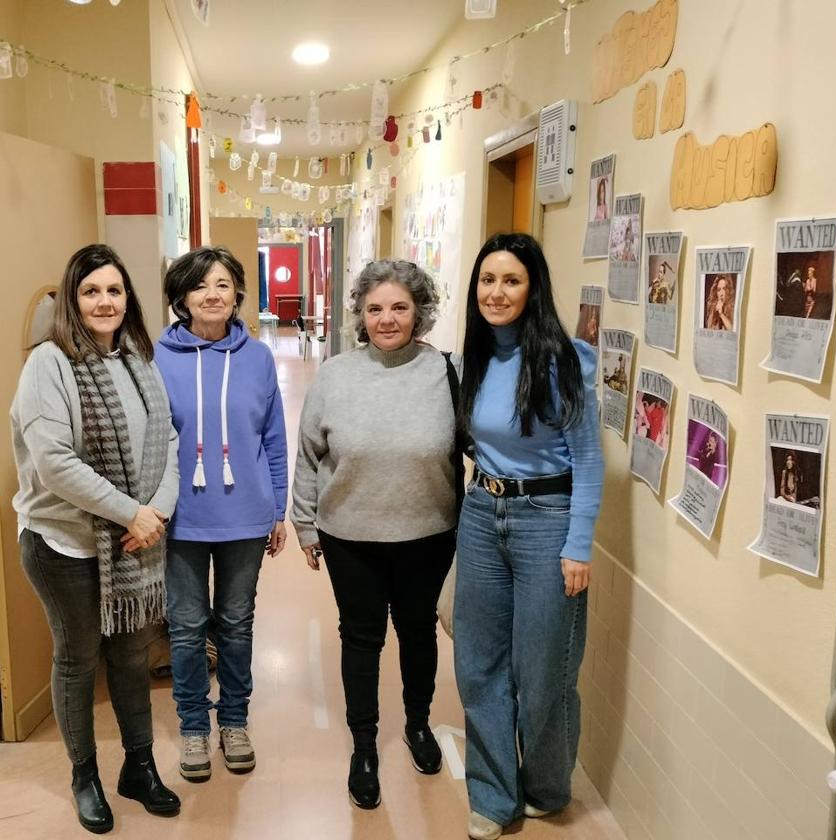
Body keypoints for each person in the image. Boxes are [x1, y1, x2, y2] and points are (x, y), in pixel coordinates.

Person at [11, 244, 182, 834]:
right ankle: (84, 776)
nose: (104, 302)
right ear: (72, 300)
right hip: (64, 544)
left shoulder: (140, 360)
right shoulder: (48, 365)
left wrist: (152, 513)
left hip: (134, 540)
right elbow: (54, 462)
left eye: (114, 290)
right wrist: (131, 513)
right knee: (80, 660)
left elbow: (169, 444)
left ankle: (139, 767)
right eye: (91, 292)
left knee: (132, 657)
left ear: (127, 298)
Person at [292, 259, 461, 810]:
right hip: (350, 535)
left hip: (429, 532)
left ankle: (417, 726)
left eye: (399, 307)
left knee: (418, 634)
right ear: (360, 316)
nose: (387, 319)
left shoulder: (447, 372)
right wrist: (304, 523)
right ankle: (364, 745)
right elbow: (308, 453)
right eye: (375, 309)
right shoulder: (336, 375)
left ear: (419, 312)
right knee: (361, 639)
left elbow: (475, 446)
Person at [452, 233, 604, 840]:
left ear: (533, 287)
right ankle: (493, 795)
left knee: (543, 673)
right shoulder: (476, 357)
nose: (497, 292)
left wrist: (579, 544)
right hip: (482, 517)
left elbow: (589, 460)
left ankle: (545, 785)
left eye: (511, 280)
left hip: (548, 522)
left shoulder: (563, 360)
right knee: (478, 666)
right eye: (488, 280)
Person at [154, 246, 288, 782]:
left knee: (235, 623)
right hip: (180, 516)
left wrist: (278, 507)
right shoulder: (155, 358)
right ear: (182, 298)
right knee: (186, 628)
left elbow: (274, 438)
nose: (212, 294)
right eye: (200, 285)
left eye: (224, 284)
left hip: (246, 516)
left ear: (237, 294)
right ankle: (193, 727)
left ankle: (234, 720)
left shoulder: (258, 358)